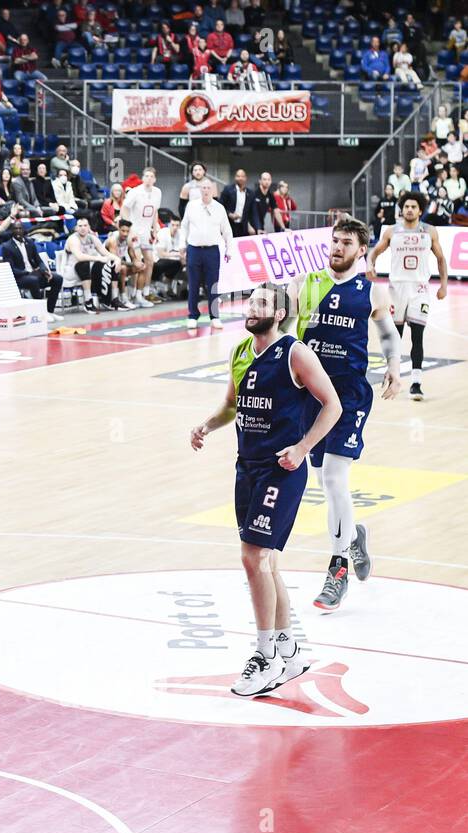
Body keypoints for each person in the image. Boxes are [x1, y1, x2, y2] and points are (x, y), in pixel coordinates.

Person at [189, 282, 341, 696]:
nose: (251, 307)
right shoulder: (241, 352)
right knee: (267, 562)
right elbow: (231, 406)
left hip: (282, 469)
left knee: (252, 557)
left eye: (260, 303)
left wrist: (304, 447)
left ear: (278, 314)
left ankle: (265, 655)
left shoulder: (295, 353)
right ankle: (288, 648)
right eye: (250, 300)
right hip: (248, 468)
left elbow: (333, 405)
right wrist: (206, 425)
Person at [285, 218, 403, 612]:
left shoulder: (371, 290)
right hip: (310, 395)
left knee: (335, 476)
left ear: (361, 250)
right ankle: (353, 536)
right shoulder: (308, 283)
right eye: (333, 240)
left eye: (345, 242)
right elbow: (285, 329)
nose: (336, 247)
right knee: (324, 479)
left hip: (349, 396)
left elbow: (387, 333)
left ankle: (338, 570)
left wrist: (394, 367)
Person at [366, 192, 447, 402]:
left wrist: (443, 286)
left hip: (419, 289)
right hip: (396, 289)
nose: (409, 209)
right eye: (407, 206)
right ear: (402, 209)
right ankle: (394, 375)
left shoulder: (429, 231)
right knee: (395, 336)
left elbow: (440, 259)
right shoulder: (393, 231)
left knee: (417, 336)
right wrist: (369, 264)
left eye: (414, 206)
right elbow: (375, 251)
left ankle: (417, 382)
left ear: (420, 210)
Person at [179, 181, 233, 329]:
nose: (206, 190)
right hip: (194, 250)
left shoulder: (219, 208)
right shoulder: (191, 206)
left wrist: (229, 249)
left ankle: (214, 316)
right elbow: (184, 227)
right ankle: (192, 316)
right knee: (194, 284)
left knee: (213, 285)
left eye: (209, 188)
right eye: (203, 188)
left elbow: (227, 231)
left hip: (212, 251)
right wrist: (181, 245)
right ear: (199, 190)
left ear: (213, 191)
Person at [121, 167, 164, 305]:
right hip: (135, 231)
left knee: (150, 261)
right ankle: (133, 293)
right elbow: (124, 209)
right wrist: (129, 228)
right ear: (143, 178)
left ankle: (145, 292)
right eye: (146, 176)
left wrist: (155, 229)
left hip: (147, 232)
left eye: (151, 176)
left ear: (155, 179)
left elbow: (155, 211)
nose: (149, 178)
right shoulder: (135, 192)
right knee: (139, 263)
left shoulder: (157, 192)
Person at [1, 221, 62, 314]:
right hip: (20, 276)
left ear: (23, 230)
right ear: (11, 231)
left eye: (20, 228)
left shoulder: (29, 242)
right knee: (33, 280)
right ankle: (41, 313)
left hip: (34, 274)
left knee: (57, 278)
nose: (18, 231)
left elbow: (39, 260)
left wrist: (45, 270)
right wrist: (28, 272)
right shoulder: (7, 247)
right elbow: (11, 269)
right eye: (15, 229)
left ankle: (50, 311)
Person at [62, 215, 118, 314]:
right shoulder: (73, 239)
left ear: (89, 227)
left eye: (85, 225)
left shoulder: (92, 238)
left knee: (110, 263)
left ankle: (113, 299)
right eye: (80, 226)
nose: (83, 228)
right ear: (76, 228)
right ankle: (88, 301)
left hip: (88, 269)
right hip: (71, 270)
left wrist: (117, 259)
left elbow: (105, 253)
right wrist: (98, 258)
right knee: (84, 263)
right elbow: (79, 257)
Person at [104, 218, 143, 310]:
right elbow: (114, 260)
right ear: (118, 229)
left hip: (118, 264)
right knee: (123, 268)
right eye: (123, 231)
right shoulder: (113, 240)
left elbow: (133, 257)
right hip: (104, 265)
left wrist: (138, 263)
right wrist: (132, 264)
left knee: (141, 267)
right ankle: (123, 298)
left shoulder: (128, 240)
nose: (125, 234)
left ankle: (138, 296)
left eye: (127, 231)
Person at [220, 168, 253, 238]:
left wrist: (250, 225)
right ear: (235, 178)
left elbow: (251, 212)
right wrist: (229, 214)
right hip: (230, 224)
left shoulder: (250, 193)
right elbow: (220, 205)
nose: (240, 178)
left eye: (242, 176)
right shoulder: (228, 189)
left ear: (246, 178)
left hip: (243, 226)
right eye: (238, 176)